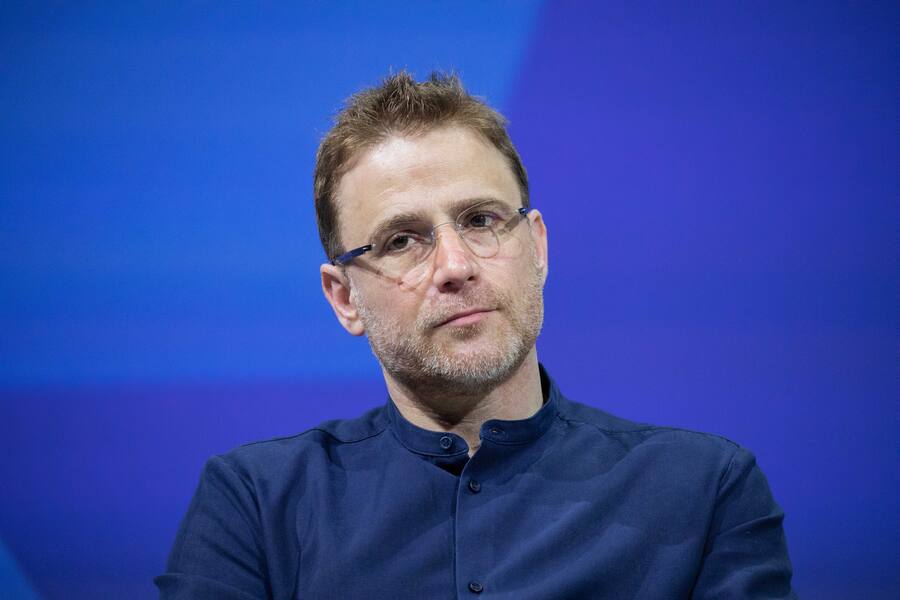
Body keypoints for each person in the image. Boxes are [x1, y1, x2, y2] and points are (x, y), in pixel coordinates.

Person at [156, 71, 795, 599]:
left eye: (481, 219)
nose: (456, 266)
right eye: (402, 240)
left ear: (538, 247)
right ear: (344, 296)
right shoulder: (257, 503)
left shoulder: (704, 488)